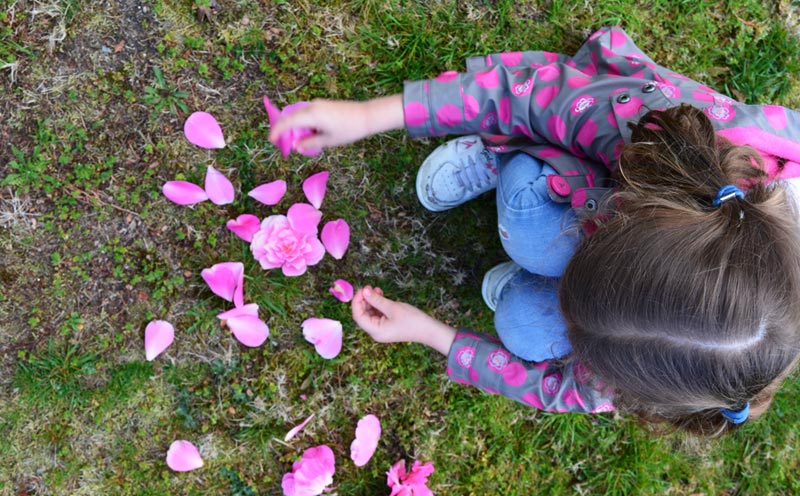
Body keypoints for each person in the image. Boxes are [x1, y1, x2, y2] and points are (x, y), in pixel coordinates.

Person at [269, 27, 800, 436]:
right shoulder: (658, 136)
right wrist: (371, 115)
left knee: (521, 325)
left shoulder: (697, 367)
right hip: (618, 173)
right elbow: (527, 94)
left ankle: (536, 272)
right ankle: (506, 153)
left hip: (633, 228)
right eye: (576, 294)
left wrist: (434, 335)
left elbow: (559, 389)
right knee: (526, 213)